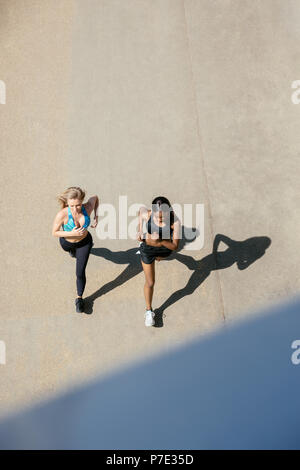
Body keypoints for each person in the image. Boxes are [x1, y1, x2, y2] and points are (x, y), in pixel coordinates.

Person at [52, 186, 99, 313]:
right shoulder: (62, 214)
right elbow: (55, 232)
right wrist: (71, 233)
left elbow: (95, 198)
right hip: (67, 243)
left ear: (82, 201)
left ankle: (79, 298)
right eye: (71, 206)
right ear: (67, 203)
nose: (75, 209)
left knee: (80, 272)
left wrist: (96, 215)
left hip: (84, 243)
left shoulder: (87, 208)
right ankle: (72, 252)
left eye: (78, 205)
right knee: (71, 252)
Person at [137, 196, 181, 326]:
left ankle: (159, 258)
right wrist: (139, 230)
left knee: (162, 257)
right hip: (148, 250)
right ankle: (149, 311)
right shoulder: (148, 214)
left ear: (169, 212)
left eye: (162, 217)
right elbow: (140, 210)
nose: (159, 220)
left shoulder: (175, 222)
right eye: (157, 217)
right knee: (150, 282)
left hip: (164, 250)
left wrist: (161, 241)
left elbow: (175, 246)